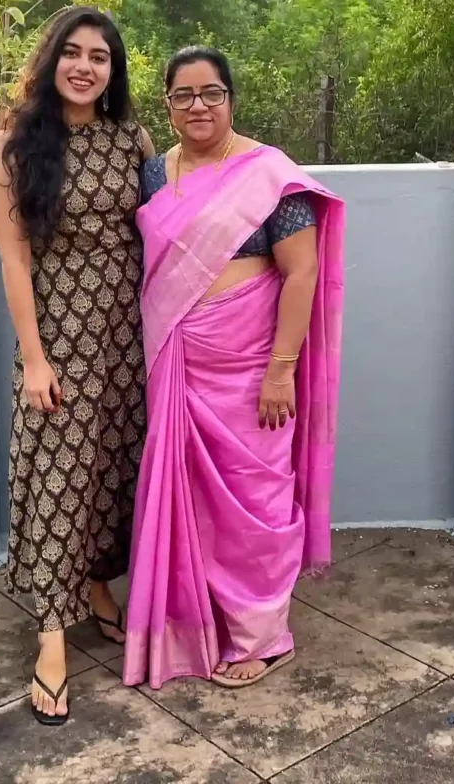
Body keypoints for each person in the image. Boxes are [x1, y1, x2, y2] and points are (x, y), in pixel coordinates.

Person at [122, 46, 344, 691]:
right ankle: (200, 623)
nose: (198, 106)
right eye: (183, 95)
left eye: (211, 93)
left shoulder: (268, 173)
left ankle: (264, 637)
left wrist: (281, 369)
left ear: (230, 99)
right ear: (166, 105)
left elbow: (301, 272)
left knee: (257, 495)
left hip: (251, 362)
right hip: (178, 356)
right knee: (188, 497)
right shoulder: (152, 176)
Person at [0, 6, 153, 725]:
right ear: (50, 59)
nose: (86, 66)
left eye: (101, 57)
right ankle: (51, 640)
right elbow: (14, 259)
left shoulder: (131, 138)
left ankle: (95, 586)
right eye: (73, 53)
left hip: (130, 336)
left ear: (113, 72)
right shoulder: (12, 148)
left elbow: (165, 226)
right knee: (55, 475)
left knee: (117, 470)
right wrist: (33, 359)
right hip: (59, 339)